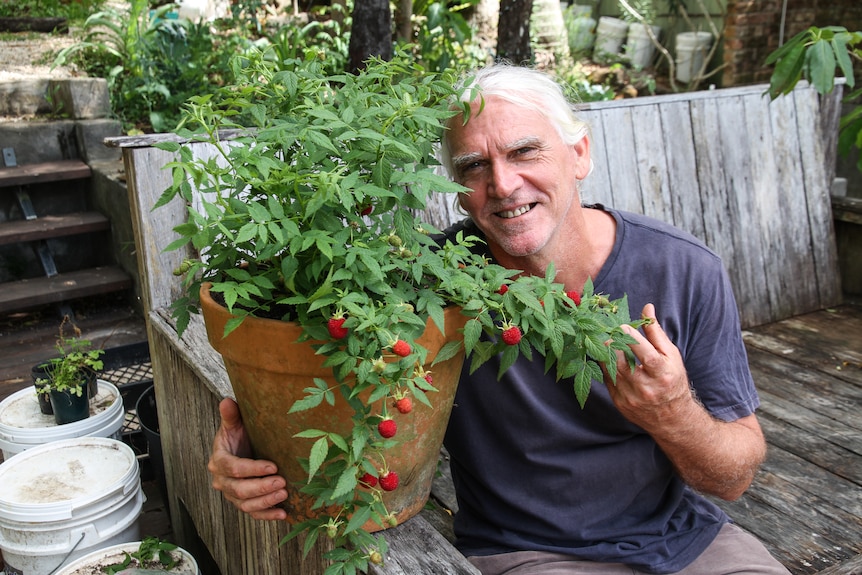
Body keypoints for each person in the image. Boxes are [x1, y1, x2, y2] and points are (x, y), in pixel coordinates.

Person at [207, 64, 790, 575]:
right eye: (474, 166)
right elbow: (308, 352)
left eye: (524, 151)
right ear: (458, 190)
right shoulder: (424, 282)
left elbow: (733, 478)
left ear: (579, 153)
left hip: (689, 541)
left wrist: (674, 413)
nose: (503, 184)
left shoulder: (684, 269)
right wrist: (252, 445)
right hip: (529, 554)